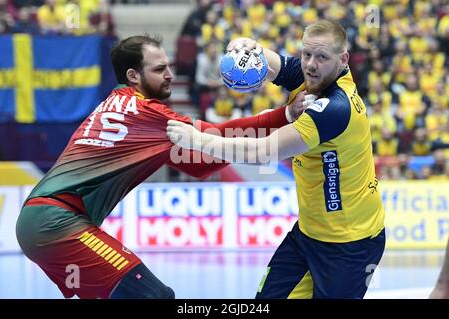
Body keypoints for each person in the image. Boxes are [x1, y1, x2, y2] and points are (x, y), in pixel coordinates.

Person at [15, 34, 305, 299]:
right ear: (133, 75)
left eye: (168, 66)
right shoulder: (147, 114)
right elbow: (217, 139)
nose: (169, 75)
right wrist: (285, 115)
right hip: (56, 222)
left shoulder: (117, 105)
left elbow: (202, 163)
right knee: (155, 297)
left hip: (44, 221)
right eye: (159, 69)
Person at [167, 20, 386, 299]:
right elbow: (265, 58)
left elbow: (263, 152)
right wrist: (243, 45)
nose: (310, 64)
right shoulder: (309, 78)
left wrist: (198, 141)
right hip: (307, 234)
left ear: (343, 60)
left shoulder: (335, 108)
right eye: (306, 54)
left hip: (350, 243)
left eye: (321, 57)